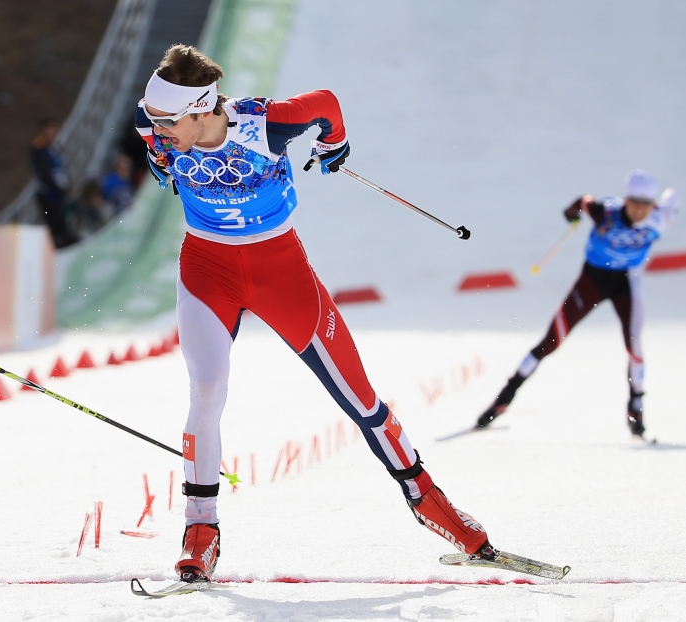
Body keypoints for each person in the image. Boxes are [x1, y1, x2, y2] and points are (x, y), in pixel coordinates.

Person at [135, 44, 493, 583]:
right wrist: (156, 154)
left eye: (167, 123)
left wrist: (335, 143)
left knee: (357, 396)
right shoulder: (156, 121)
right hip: (207, 267)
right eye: (154, 122)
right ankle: (200, 528)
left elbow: (325, 103)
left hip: (280, 268)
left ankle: (428, 501)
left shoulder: (266, 124)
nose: (156, 130)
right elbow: (148, 131)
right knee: (206, 391)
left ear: (204, 109)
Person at [476, 171, 676, 438]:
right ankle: (505, 396)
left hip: (626, 283)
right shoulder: (606, 211)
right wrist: (571, 212)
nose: (640, 210)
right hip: (591, 281)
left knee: (635, 345)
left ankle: (636, 405)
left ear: (654, 205)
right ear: (625, 199)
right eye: (635, 202)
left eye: (646, 204)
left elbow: (672, 199)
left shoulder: (661, 217)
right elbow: (583, 201)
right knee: (551, 341)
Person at [29, 118, 79, 248]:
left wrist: (67, 186)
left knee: (64, 222)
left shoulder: (56, 147)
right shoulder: (40, 147)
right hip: (49, 193)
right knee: (56, 224)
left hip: (60, 191)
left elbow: (62, 170)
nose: (52, 132)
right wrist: (58, 188)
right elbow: (44, 172)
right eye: (49, 129)